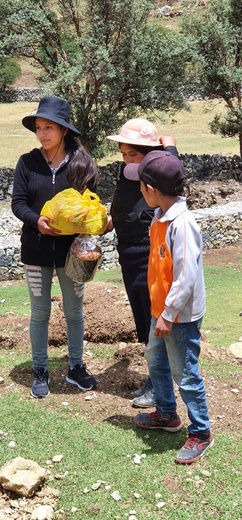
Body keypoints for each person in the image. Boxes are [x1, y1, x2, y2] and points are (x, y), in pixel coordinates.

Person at [12, 96, 98, 398]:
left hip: (71, 255)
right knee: (40, 312)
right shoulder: (27, 162)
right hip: (35, 252)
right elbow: (18, 204)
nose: (42, 134)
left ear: (63, 130)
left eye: (49, 127)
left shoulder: (82, 164)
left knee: (74, 311)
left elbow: (89, 207)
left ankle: (75, 367)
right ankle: (40, 370)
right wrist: (37, 222)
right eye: (38, 127)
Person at [133, 150, 214, 464]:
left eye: (141, 186)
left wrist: (168, 313)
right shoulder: (160, 217)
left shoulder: (182, 224)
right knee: (155, 358)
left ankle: (202, 432)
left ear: (152, 190)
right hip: (161, 310)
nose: (140, 190)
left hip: (177, 315)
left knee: (186, 373)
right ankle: (167, 414)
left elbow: (185, 276)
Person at [107, 119, 179, 407]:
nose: (127, 160)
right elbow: (124, 207)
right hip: (128, 257)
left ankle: (160, 385)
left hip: (150, 259)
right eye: (123, 154)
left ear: (148, 154)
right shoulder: (128, 175)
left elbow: (172, 161)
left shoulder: (159, 175)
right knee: (142, 321)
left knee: (154, 321)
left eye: (132, 155)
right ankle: (155, 378)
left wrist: (170, 145)